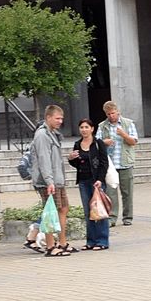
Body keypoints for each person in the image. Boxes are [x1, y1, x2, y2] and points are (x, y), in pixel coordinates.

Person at [24, 104, 75, 257]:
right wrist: (49, 181)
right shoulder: (42, 135)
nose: (60, 121)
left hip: (57, 179)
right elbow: (43, 159)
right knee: (50, 212)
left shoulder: (53, 133)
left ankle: (62, 243)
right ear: (48, 117)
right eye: (57, 118)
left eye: (62, 118)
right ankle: (50, 247)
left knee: (63, 208)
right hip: (47, 181)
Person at [67, 118, 110, 251]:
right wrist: (71, 159)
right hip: (83, 181)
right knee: (88, 212)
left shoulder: (98, 143)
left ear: (92, 129)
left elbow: (104, 163)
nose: (84, 130)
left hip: (96, 182)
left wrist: (100, 179)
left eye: (86, 127)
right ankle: (90, 241)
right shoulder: (77, 144)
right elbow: (77, 164)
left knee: (99, 210)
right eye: (82, 127)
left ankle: (102, 241)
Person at [97, 100, 138, 226]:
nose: (111, 116)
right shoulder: (102, 126)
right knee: (111, 193)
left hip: (125, 163)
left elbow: (133, 141)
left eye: (113, 113)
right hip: (110, 165)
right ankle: (112, 218)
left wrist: (123, 134)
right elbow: (96, 143)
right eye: (108, 114)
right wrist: (104, 142)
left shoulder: (128, 123)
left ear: (118, 112)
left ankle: (127, 217)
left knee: (127, 193)